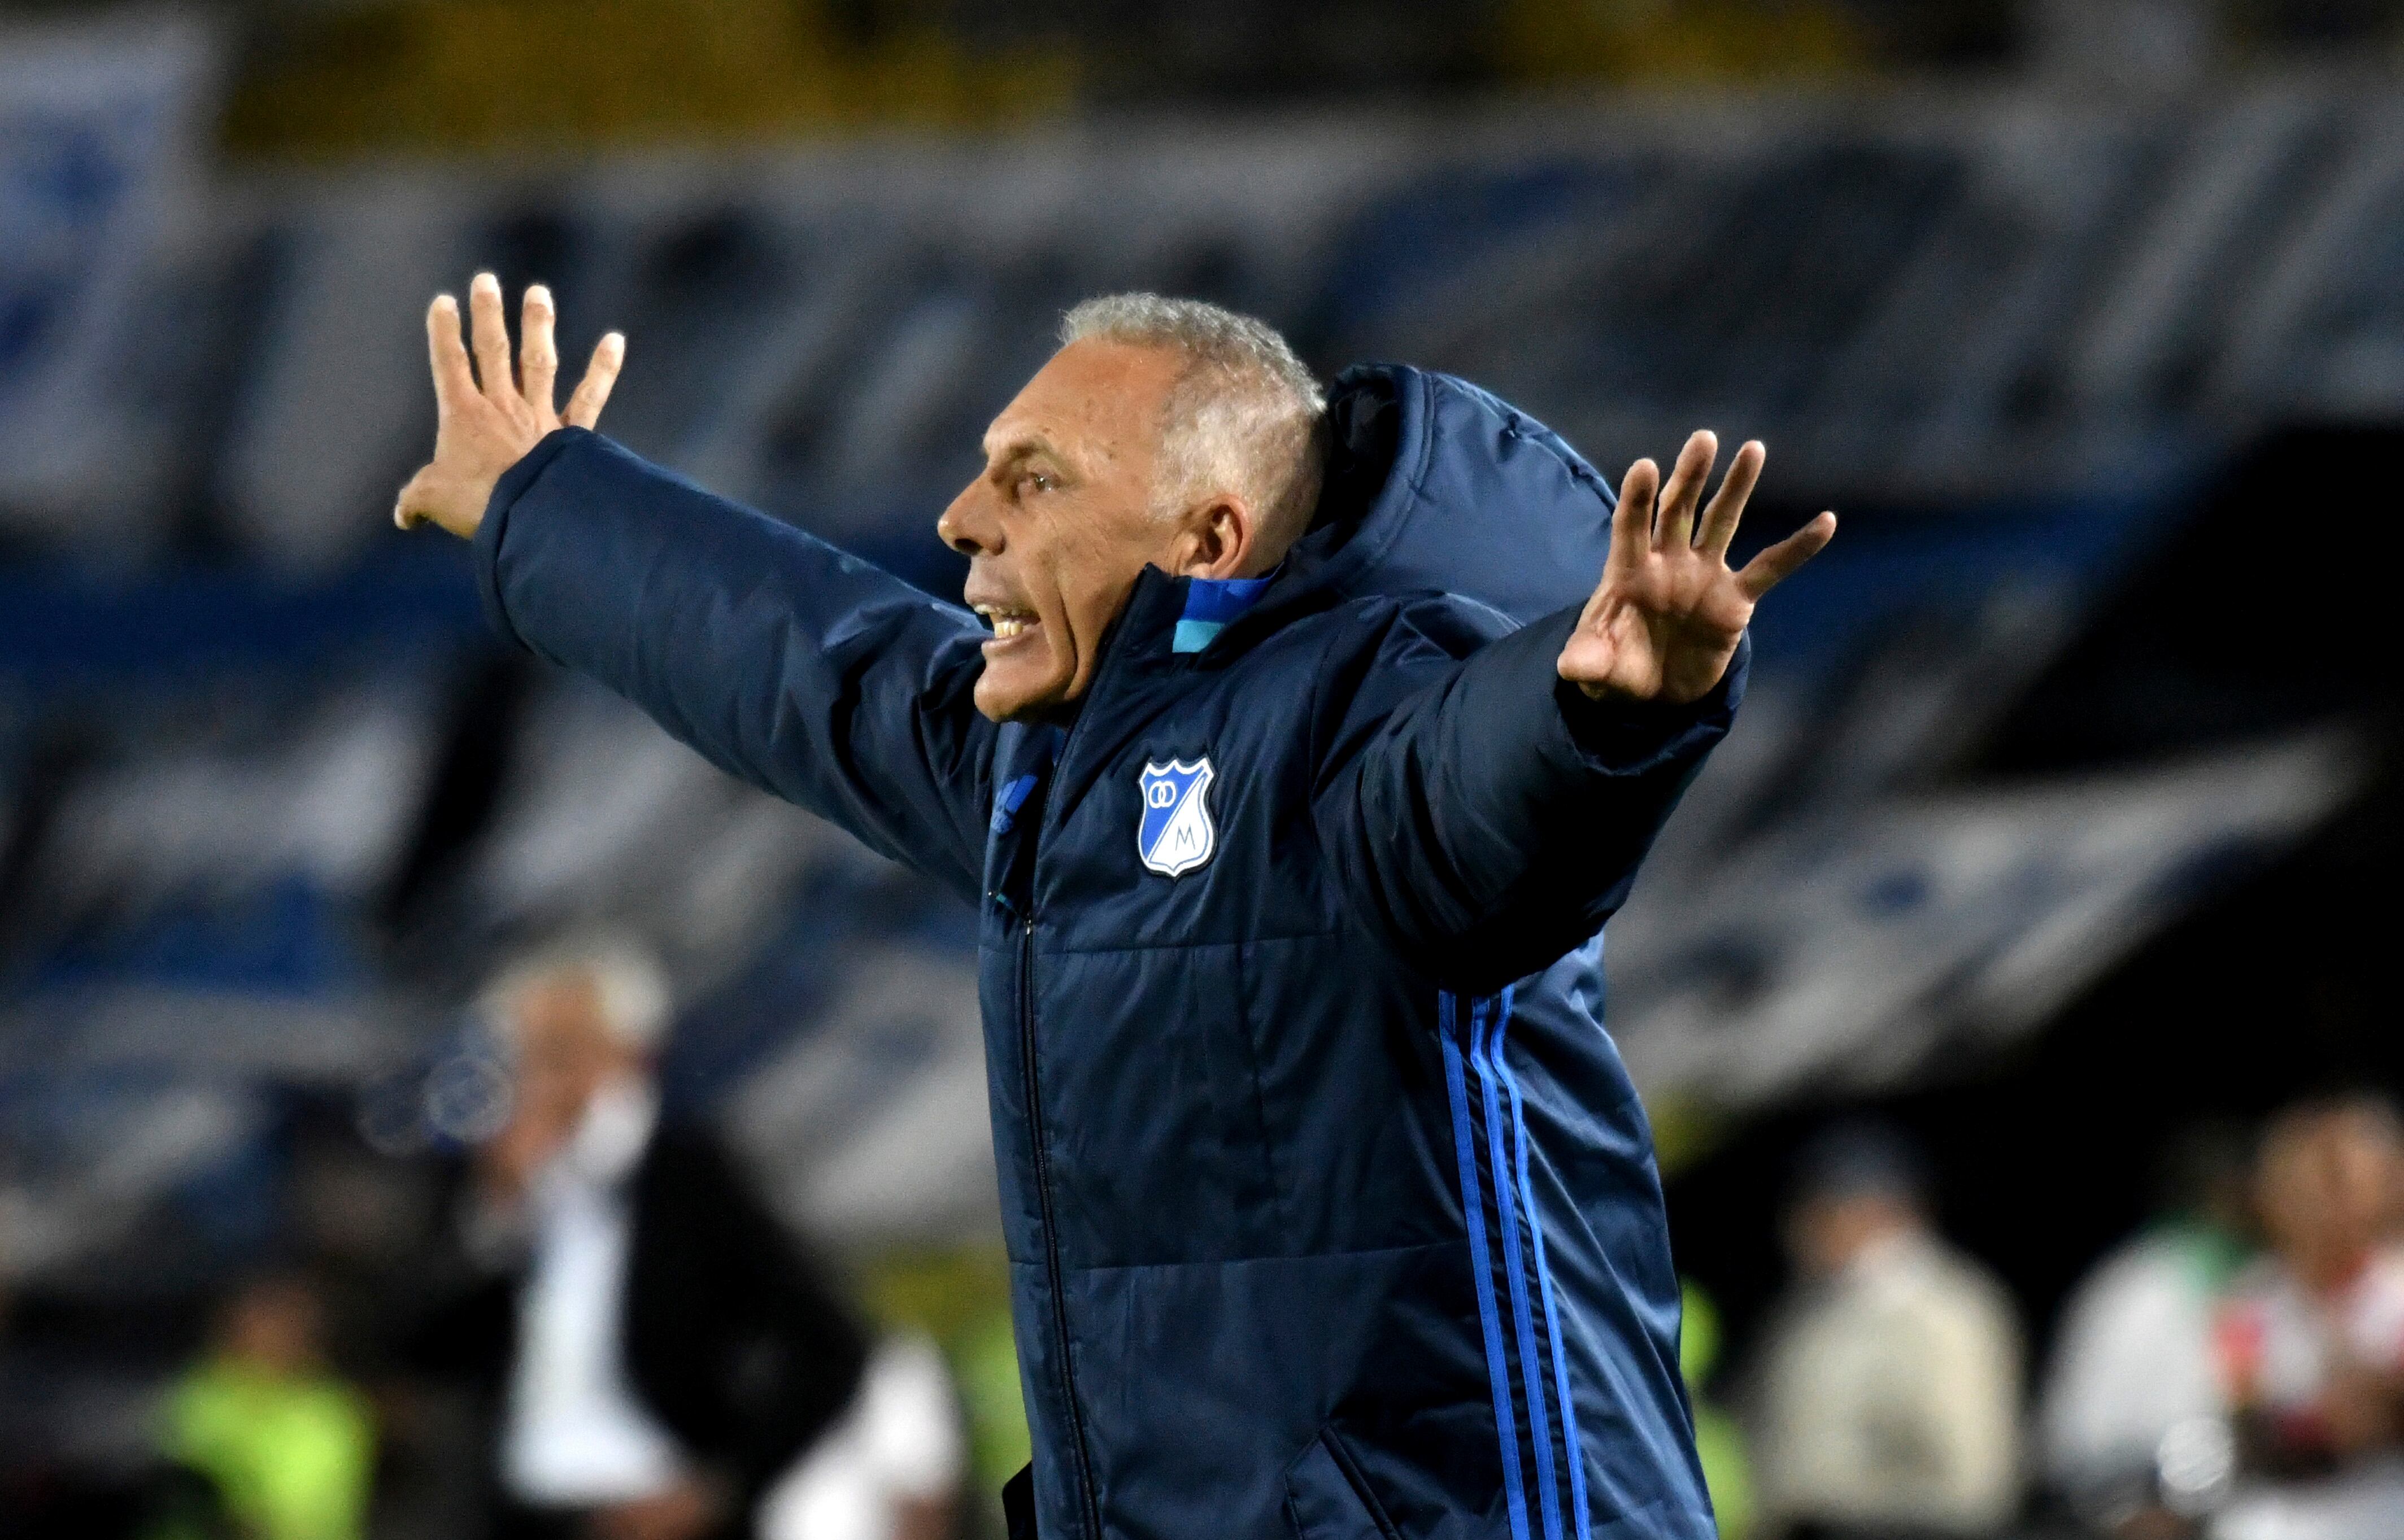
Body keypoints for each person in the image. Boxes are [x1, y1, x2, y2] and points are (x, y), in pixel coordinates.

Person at [392, 273, 1835, 1539]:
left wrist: (1603, 716)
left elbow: (1475, 783)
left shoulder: (1366, 712)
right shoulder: (1050, 773)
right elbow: (806, 660)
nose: (963, 519)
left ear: (1207, 536)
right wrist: (538, 502)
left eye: (1034, 481)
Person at [433, 939, 957, 1540]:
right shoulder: (490, 1184)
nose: (541, 1079)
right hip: (523, 1519)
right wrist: (500, 1208)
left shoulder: (690, 1175)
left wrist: (723, 1485)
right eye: (525, 1056)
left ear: (628, 1053)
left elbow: (831, 1347)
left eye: (561, 1051)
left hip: (660, 1516)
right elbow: (417, 1346)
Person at [1747, 1123, 2023, 1539]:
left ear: (1882, 1210)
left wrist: (1833, 1503)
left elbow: (1974, 1485)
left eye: (1824, 1210)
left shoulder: (1950, 1315)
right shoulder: (1806, 1311)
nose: (1800, 1229)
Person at [2037, 1124, 2254, 1537]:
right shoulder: (2136, 1286)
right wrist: (2134, 1508)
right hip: (2135, 1510)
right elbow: (2078, 1441)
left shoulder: (2269, 1279)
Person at [2219, 1094, 2404, 1479]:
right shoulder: (2247, 1305)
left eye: (2337, 1186)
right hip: (2287, 1502)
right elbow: (2241, 1417)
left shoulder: (2396, 1286)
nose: (2319, 1208)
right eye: (2298, 1191)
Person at [162, 1271, 377, 1540]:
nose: (262, 1336)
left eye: (277, 1326)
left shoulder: (332, 1417)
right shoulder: (199, 1392)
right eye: (251, 1323)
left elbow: (298, 1517)